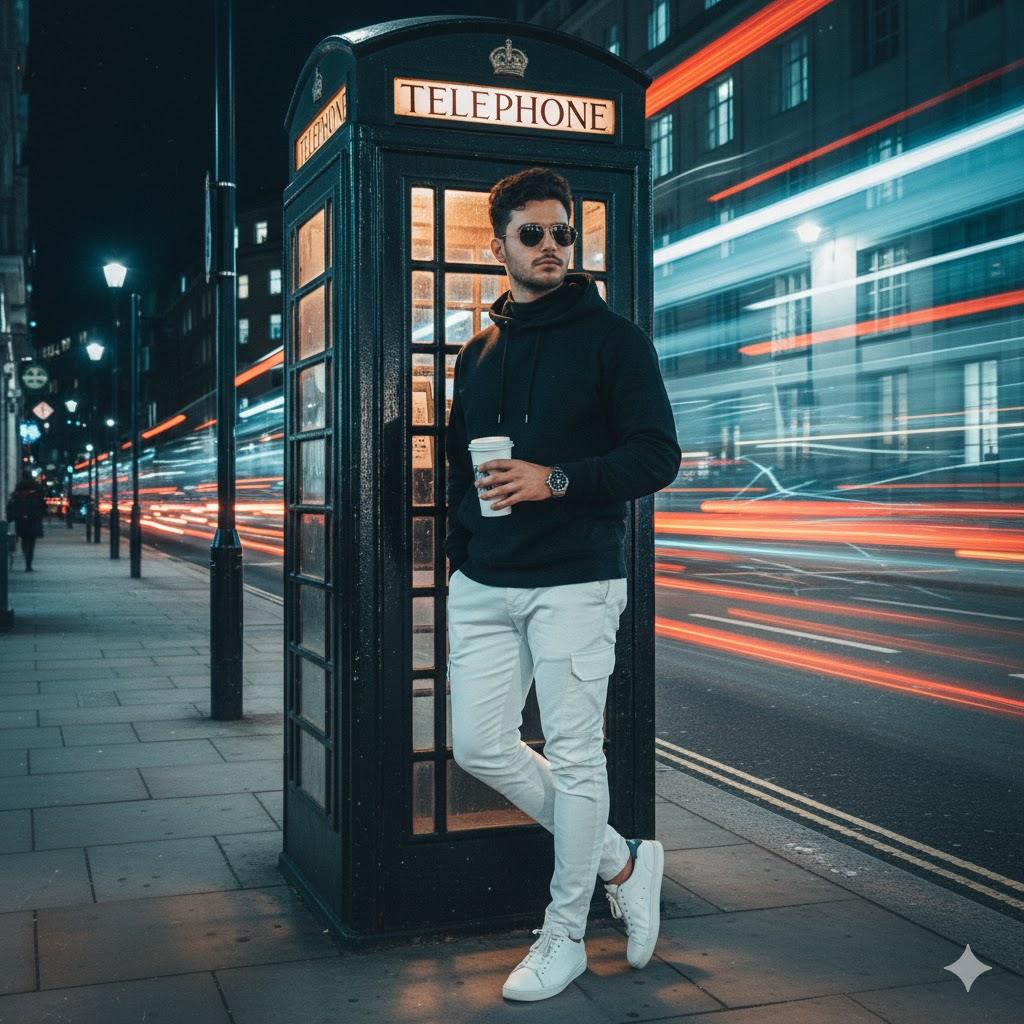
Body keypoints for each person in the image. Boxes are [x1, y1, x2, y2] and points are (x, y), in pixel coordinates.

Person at [444, 167, 681, 1002]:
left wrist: (556, 481)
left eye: (562, 233)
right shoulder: (478, 351)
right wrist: (458, 549)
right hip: (484, 580)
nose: (551, 247)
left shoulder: (616, 341)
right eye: (532, 234)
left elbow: (658, 455)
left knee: (578, 755)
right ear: (500, 244)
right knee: (475, 743)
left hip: (576, 578)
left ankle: (566, 935)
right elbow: (453, 462)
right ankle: (621, 858)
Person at [6, 473, 46, 572]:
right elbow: (42, 504)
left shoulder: (18, 490)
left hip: (21, 519)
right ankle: (29, 563)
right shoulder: (37, 489)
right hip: (34, 519)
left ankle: (26, 557)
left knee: (24, 540)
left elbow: (13, 505)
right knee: (32, 541)